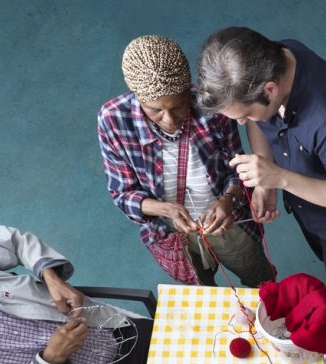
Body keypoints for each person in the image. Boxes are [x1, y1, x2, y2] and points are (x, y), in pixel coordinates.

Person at [196, 27, 326, 292]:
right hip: (306, 203)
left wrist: (280, 177)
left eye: (246, 114)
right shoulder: (277, 58)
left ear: (271, 89)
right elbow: (259, 121)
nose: (242, 123)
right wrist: (266, 181)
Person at [98, 35, 274, 288]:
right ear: (137, 97)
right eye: (155, 110)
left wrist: (229, 200)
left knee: (263, 284)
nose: (169, 119)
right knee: (204, 296)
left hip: (228, 225)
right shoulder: (113, 120)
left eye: (178, 106)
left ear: (187, 89)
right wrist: (167, 210)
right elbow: (122, 195)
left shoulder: (212, 105)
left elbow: (237, 168)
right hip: (173, 236)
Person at [0, 224, 151, 364]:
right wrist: (49, 361)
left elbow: (16, 242)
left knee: (196, 346)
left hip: (117, 333)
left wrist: (51, 277)